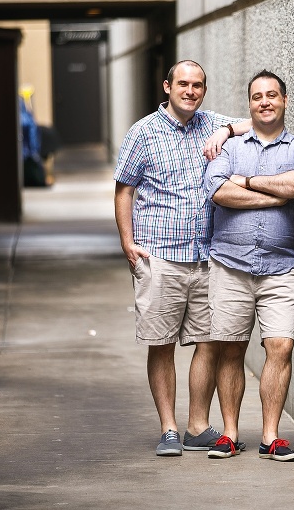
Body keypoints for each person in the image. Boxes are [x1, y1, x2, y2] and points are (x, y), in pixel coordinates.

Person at [114, 60, 251, 456]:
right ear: (167, 87)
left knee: (209, 342)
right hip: (159, 256)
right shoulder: (143, 132)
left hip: (207, 257)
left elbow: (259, 124)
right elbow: (124, 190)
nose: (191, 91)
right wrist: (127, 243)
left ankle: (197, 426)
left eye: (198, 85)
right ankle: (169, 429)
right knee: (161, 344)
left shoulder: (212, 124)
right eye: (184, 84)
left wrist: (226, 131)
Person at [203, 70, 294, 460]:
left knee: (280, 347)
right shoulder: (230, 147)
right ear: (249, 104)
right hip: (229, 266)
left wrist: (248, 181)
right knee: (230, 350)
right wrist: (276, 194)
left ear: (285, 100)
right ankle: (230, 434)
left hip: (280, 268)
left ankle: (271, 437)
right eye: (257, 96)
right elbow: (219, 191)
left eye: (272, 95)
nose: (265, 101)